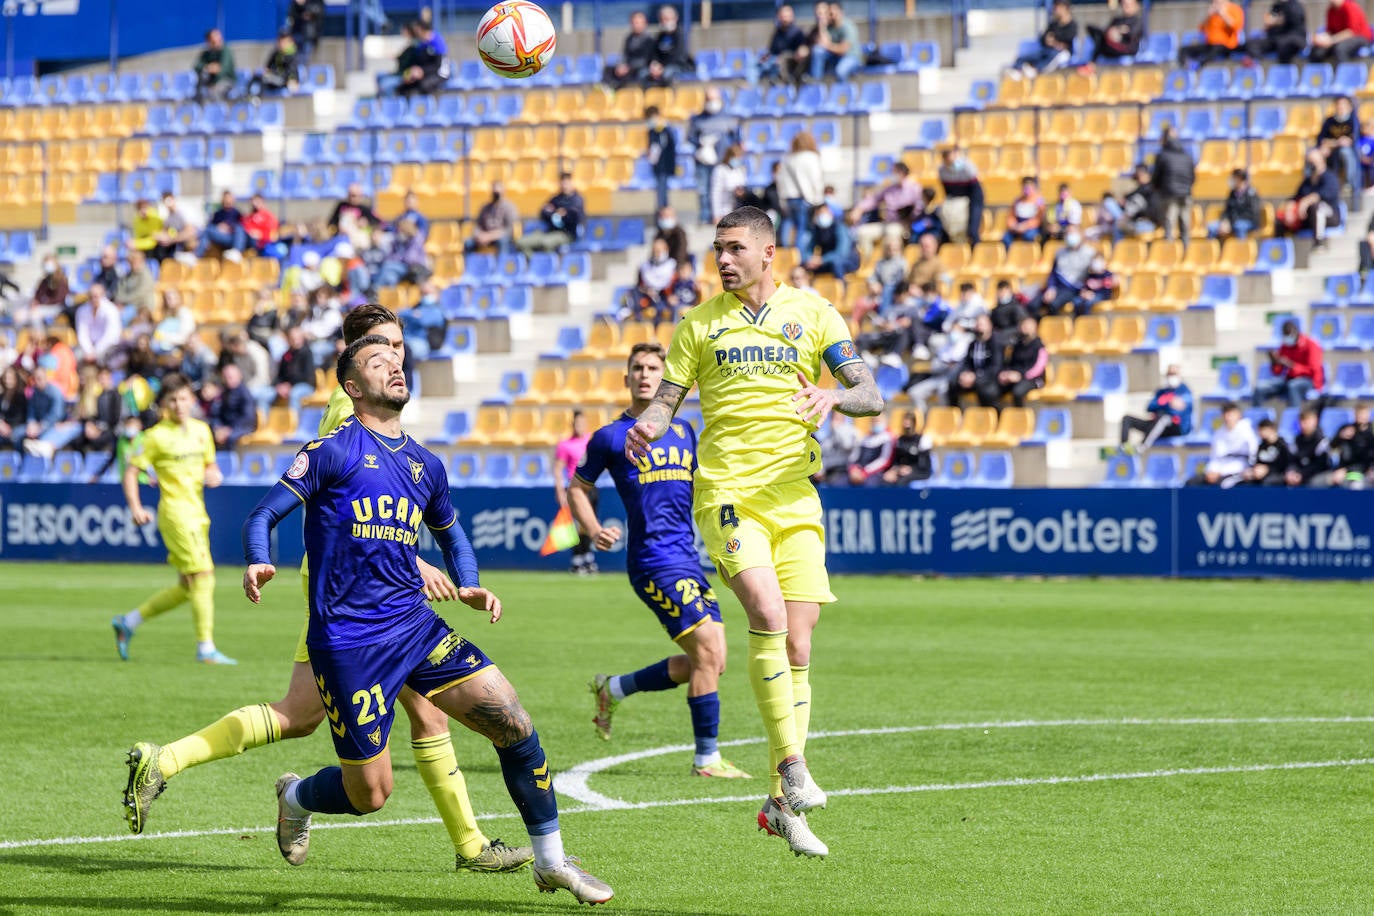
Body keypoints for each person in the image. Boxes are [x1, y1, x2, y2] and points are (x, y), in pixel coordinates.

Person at [121, 307, 535, 878]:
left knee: (301, 715)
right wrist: (411, 560)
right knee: (408, 724)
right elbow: (349, 503)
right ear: (353, 360)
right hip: (356, 594)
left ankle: (165, 760)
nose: (395, 355)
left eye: (398, 345)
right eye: (382, 346)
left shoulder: (376, 410)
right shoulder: (352, 409)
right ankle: (468, 846)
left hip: (362, 591)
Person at [240, 336, 612, 904]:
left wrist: (467, 581)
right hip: (348, 644)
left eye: (396, 360)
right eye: (376, 363)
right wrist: (260, 559)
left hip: (415, 628)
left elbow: (451, 532)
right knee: (371, 795)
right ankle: (295, 798)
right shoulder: (330, 451)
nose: (393, 366)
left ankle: (552, 862)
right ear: (352, 387)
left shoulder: (424, 463)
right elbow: (263, 514)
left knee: (511, 719)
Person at [625, 205, 882, 859]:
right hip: (729, 495)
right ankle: (793, 765)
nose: (722, 258)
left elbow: (871, 393)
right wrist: (650, 423)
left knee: (799, 643)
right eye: (717, 249)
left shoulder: (816, 315)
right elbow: (667, 400)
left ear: (769, 252)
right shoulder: (699, 325)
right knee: (765, 614)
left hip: (796, 497)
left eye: (735, 247)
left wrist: (833, 397)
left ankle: (777, 804)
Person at [571, 343, 749, 778]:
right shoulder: (611, 436)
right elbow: (577, 487)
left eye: (654, 368)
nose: (646, 374)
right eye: (638, 368)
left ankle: (612, 688)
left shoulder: (685, 431)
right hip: (652, 561)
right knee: (709, 651)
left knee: (712, 661)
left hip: (688, 558)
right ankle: (706, 759)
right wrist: (593, 531)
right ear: (626, 378)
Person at [109, 374, 232, 664]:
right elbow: (130, 472)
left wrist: (214, 475)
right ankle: (206, 648)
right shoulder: (154, 437)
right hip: (176, 514)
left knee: (187, 586)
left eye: (183, 398)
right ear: (164, 404)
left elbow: (210, 466)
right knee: (204, 576)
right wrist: (136, 507)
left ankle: (129, 622)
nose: (179, 405)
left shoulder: (202, 431)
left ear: (192, 400)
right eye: (172, 400)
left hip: (198, 514)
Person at [687, 88, 742, 225]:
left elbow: (737, 139)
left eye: (714, 99)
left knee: (722, 191)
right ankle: (706, 218)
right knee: (704, 190)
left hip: (723, 162)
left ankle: (726, 218)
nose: (712, 103)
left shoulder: (728, 118)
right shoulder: (697, 120)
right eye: (709, 99)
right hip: (704, 162)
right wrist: (701, 143)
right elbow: (691, 137)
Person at [848, 161, 923, 257]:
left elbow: (919, 208)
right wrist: (858, 209)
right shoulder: (889, 189)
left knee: (892, 232)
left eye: (894, 172)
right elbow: (873, 200)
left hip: (904, 225)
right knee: (862, 232)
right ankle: (868, 262)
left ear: (902, 173)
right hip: (887, 223)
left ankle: (894, 263)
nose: (892, 175)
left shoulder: (914, 188)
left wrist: (910, 219)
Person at [554, 410, 596, 575]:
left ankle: (587, 557)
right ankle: (578, 559)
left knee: (588, 524)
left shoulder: (590, 441)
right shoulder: (565, 445)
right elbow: (558, 470)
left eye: (582, 423)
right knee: (576, 525)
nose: (580, 426)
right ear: (573, 425)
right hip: (574, 488)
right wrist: (559, 491)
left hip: (591, 487)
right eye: (577, 423)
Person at [1120, 364, 1193, 453]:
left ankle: (1142, 446)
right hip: (1157, 425)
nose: (1171, 377)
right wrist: (1167, 403)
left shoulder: (1184, 391)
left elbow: (1178, 409)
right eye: (1169, 374)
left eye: (1174, 374)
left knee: (1164, 417)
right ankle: (1123, 447)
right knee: (1127, 418)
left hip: (1176, 428)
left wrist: (1163, 404)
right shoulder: (1162, 391)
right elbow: (1150, 407)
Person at [1278, 149, 1343, 247]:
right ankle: (1281, 247)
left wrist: (1306, 201)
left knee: (1316, 207)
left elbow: (1325, 194)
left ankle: (1319, 243)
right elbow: (1296, 197)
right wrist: (1290, 207)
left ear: (1321, 161)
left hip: (1329, 216)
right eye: (1309, 161)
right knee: (1280, 219)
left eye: (1313, 161)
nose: (1311, 164)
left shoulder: (1330, 177)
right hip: (1307, 217)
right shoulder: (1307, 181)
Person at [1185, 401, 1258, 487]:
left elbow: (1249, 459)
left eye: (1231, 414)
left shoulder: (1247, 433)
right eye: (1225, 414)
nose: (1228, 418)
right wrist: (1211, 470)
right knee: (1192, 483)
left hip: (1239, 471)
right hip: (1218, 470)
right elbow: (1215, 457)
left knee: (1224, 484)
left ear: (1238, 415)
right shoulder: (1218, 433)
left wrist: (1221, 472)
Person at [1255, 319, 1325, 407]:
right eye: (1285, 335)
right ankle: (1258, 417)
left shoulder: (1311, 345)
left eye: (1289, 335)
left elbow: (1313, 370)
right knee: (1260, 388)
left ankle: (1293, 417)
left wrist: (1292, 366)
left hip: (1309, 381)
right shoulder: (1285, 346)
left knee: (1293, 386)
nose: (1288, 338)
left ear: (1295, 332)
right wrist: (1274, 362)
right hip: (1289, 379)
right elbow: (1278, 371)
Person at [778, 132, 825, 254]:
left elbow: (781, 180)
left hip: (789, 198)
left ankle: (786, 253)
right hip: (804, 198)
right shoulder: (811, 157)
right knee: (803, 229)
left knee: (788, 224)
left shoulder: (787, 158)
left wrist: (782, 200)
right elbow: (816, 180)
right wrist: (819, 200)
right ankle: (800, 256)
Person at [1151, 125, 1195, 246]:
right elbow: (1192, 177)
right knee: (1185, 225)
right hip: (1186, 193)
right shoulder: (1187, 155)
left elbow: (1156, 177)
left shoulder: (1162, 155)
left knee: (1169, 223)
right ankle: (1186, 251)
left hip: (1169, 194)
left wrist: (1157, 189)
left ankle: (1169, 253)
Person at [517, 173, 584, 253]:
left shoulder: (577, 200)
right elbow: (543, 212)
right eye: (562, 182)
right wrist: (556, 213)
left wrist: (560, 213)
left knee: (546, 243)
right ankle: (534, 263)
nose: (564, 185)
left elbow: (574, 216)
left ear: (571, 183)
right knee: (521, 242)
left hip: (566, 234)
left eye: (566, 182)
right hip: (549, 231)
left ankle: (549, 264)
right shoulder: (556, 198)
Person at [947, 314, 1003, 407]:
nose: (979, 327)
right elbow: (967, 363)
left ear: (990, 326)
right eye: (977, 324)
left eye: (982, 324)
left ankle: (992, 418)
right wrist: (964, 374)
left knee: (986, 391)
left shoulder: (995, 344)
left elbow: (995, 367)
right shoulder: (973, 344)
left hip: (989, 379)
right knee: (952, 385)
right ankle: (957, 416)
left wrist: (976, 377)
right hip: (973, 377)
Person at [1318, 96, 1363, 210]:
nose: (1340, 108)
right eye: (1338, 105)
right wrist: (1336, 143)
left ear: (1349, 107)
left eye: (1343, 105)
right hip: (1331, 152)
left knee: (1345, 152)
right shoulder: (1329, 121)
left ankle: (1349, 183)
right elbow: (1322, 141)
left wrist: (1336, 143)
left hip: (1348, 153)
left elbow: (1353, 140)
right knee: (1313, 154)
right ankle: (1313, 183)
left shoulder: (1353, 121)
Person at [1036, 230, 1096, 315]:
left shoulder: (1089, 253)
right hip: (1058, 287)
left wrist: (1087, 289)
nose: (1071, 236)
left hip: (1073, 289)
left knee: (1053, 305)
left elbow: (1095, 274)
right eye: (1068, 233)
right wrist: (1051, 288)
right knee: (1033, 304)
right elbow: (1054, 273)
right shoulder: (1060, 252)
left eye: (1074, 233)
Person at [1012, 0, 1077, 77]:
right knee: (1026, 57)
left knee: (1053, 55)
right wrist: (1048, 40)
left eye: (1057, 7)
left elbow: (1067, 40)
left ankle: (1036, 71)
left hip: (1061, 53)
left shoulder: (1072, 25)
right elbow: (1043, 38)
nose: (1055, 10)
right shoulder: (1054, 24)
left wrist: (1054, 41)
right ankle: (1017, 70)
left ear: (1065, 8)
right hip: (1047, 50)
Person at [1314, 405, 1374, 487]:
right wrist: (1340, 436)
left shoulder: (1371, 434)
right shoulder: (1346, 429)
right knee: (1316, 482)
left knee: (1354, 485)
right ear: (1355, 415)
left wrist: (1346, 470)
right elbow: (1331, 447)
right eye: (1359, 414)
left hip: (1361, 471)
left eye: (1363, 414)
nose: (1361, 417)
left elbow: (1366, 459)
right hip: (1341, 470)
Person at [997, 315, 1048, 407]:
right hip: (1015, 376)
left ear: (1035, 328)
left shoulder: (1039, 346)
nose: (1025, 328)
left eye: (1028, 326)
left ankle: (1020, 418)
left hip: (1033, 379)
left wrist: (1021, 375)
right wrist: (1006, 373)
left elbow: (1038, 368)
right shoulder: (1017, 345)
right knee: (992, 389)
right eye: (1023, 326)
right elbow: (1010, 362)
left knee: (1018, 392)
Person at [205, 364, 258, 450]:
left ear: (239, 376)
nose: (227, 379)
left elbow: (248, 417)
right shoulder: (223, 393)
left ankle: (230, 461)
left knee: (230, 438)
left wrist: (229, 430)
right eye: (225, 377)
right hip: (225, 427)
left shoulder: (245, 394)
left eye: (230, 377)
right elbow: (216, 414)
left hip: (241, 427)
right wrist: (218, 427)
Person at [1082, 0, 1146, 69]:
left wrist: (1119, 33)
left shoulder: (1137, 21)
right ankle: (1091, 64)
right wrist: (1112, 32)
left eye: (1129, 4)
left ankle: (1092, 63)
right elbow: (1107, 31)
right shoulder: (1117, 20)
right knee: (1098, 36)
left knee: (1101, 42)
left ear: (1136, 6)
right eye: (1124, 4)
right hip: (1111, 47)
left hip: (1126, 49)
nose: (1126, 6)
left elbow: (1132, 34)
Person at [1180, 0, 1245, 65]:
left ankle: (1200, 64)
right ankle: (1185, 68)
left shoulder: (1235, 9)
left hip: (1227, 46)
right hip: (1211, 45)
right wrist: (1208, 16)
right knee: (1184, 50)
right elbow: (1201, 29)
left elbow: (1236, 27)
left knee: (1217, 48)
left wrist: (1223, 15)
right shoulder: (1213, 12)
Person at [603, 11, 657, 90]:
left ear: (645, 23)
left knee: (636, 74)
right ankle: (607, 92)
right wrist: (621, 65)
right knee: (608, 69)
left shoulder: (649, 39)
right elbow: (624, 54)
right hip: (628, 66)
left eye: (638, 23)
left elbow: (646, 59)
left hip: (640, 67)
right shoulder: (629, 38)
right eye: (634, 23)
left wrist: (629, 67)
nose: (636, 25)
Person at [810, 1, 861, 82]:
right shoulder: (829, 27)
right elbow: (821, 44)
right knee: (817, 50)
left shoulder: (848, 26)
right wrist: (822, 25)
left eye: (835, 12)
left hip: (850, 57)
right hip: (835, 57)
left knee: (840, 71)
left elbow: (842, 50)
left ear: (841, 12)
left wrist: (827, 46)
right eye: (830, 13)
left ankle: (843, 93)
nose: (833, 15)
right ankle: (816, 83)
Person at [802, 203, 857, 277]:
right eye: (820, 214)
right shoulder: (817, 229)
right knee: (804, 266)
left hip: (847, 261)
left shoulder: (840, 227)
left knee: (836, 264)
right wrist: (810, 259)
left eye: (825, 212)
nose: (823, 215)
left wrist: (822, 260)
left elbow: (842, 252)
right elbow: (809, 248)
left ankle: (842, 286)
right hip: (826, 262)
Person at [1282, 407, 1333, 486]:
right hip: (1299, 473)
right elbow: (1293, 460)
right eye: (1302, 421)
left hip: (1317, 473)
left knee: (1313, 483)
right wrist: (1291, 472)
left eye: (1307, 421)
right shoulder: (1297, 440)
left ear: (1315, 421)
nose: (1303, 424)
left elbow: (1320, 464)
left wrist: (1303, 475)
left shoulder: (1321, 441)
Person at [758, 4, 807, 85]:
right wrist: (766, 56)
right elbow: (772, 50)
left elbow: (799, 53)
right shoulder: (777, 32)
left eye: (787, 16)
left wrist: (782, 57)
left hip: (786, 63)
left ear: (792, 16)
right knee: (754, 63)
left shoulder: (797, 33)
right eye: (782, 16)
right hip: (773, 59)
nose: (784, 19)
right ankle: (751, 88)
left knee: (772, 65)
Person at [879, 412, 932, 486]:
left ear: (914, 423)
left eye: (909, 424)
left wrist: (911, 469)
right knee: (885, 480)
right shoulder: (900, 440)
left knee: (901, 481)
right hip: (901, 470)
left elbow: (924, 463)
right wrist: (894, 470)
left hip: (919, 471)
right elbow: (897, 460)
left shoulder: (922, 439)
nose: (907, 427)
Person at [465, 183, 519, 254]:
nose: (495, 195)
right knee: (468, 243)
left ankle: (501, 263)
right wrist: (479, 235)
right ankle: (470, 264)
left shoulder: (509, 208)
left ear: (503, 192)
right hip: (484, 236)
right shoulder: (485, 208)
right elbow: (477, 226)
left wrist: (490, 236)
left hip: (499, 237)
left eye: (497, 193)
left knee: (502, 241)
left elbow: (509, 229)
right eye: (494, 192)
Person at [75, 283, 122, 363]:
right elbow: (82, 334)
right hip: (89, 347)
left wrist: (96, 352)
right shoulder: (82, 310)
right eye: (91, 297)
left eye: (96, 296)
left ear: (102, 296)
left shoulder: (111, 310)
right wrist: (89, 351)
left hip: (108, 346)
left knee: (103, 360)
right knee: (75, 356)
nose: (93, 299)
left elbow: (110, 336)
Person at [1239, 417, 1293, 486]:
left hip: (1277, 474)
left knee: (1267, 482)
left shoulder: (1282, 445)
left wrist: (1267, 469)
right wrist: (1253, 471)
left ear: (1271, 429)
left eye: (1262, 430)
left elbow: (1285, 465)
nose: (1260, 433)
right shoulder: (1261, 446)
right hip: (1260, 475)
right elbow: (1257, 463)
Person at [1210, 170, 1261, 241]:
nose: (1232, 180)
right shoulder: (1232, 193)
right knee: (1212, 227)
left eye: (1234, 178)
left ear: (1240, 178)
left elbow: (1252, 213)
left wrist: (1231, 223)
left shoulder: (1251, 193)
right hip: (1232, 221)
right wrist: (1224, 221)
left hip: (1248, 221)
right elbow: (1227, 210)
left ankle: (1241, 249)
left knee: (1239, 226)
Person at [645, 105, 678, 212]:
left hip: (665, 165)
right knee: (660, 192)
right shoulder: (651, 131)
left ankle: (664, 212)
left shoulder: (665, 130)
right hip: (657, 167)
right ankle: (661, 212)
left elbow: (667, 147)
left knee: (663, 192)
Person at [197, 191, 248, 259]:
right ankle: (196, 255)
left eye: (229, 198)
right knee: (208, 230)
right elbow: (210, 226)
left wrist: (229, 227)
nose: (227, 200)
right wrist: (218, 227)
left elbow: (243, 229)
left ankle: (236, 252)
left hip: (233, 238)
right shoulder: (218, 214)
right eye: (225, 198)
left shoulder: (237, 214)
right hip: (221, 237)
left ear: (233, 200)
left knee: (239, 228)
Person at [248, 31, 300, 98]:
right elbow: (268, 66)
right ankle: (251, 97)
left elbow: (291, 73)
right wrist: (267, 72)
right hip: (274, 78)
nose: (281, 43)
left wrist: (273, 73)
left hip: (285, 81)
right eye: (280, 41)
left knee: (266, 79)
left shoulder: (292, 55)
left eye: (284, 41)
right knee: (257, 77)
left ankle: (257, 98)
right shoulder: (276, 53)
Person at [651, 4, 694, 84]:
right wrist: (655, 64)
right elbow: (655, 53)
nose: (664, 22)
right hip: (663, 66)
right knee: (644, 74)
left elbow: (679, 56)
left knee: (667, 73)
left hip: (679, 66)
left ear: (675, 19)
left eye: (667, 19)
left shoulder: (680, 34)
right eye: (662, 19)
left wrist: (662, 67)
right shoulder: (660, 36)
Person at [193, 29, 236, 103]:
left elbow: (224, 70)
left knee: (215, 92)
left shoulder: (225, 51)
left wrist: (215, 78)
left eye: (218, 38)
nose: (217, 41)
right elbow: (197, 66)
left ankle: (217, 112)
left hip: (226, 80)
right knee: (199, 91)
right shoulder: (207, 53)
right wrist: (208, 67)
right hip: (210, 82)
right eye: (213, 40)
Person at [710, 144, 748, 223]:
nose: (738, 159)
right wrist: (716, 214)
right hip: (723, 211)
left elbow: (742, 186)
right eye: (736, 157)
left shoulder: (740, 170)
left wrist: (740, 192)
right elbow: (716, 193)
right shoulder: (720, 170)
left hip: (737, 210)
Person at [1002, 176, 1045, 248]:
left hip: (1031, 227)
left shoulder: (1038, 200)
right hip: (1018, 225)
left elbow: (1039, 218)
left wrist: (1026, 226)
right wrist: (1014, 226)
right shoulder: (1018, 200)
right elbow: (1011, 216)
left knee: (1028, 237)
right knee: (1006, 238)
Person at [286, 0, 325, 65]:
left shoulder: (315, 2)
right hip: (296, 34)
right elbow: (291, 16)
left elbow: (317, 12)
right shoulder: (294, 3)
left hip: (309, 36)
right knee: (293, 58)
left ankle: (302, 73)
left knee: (304, 59)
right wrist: (298, 4)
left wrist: (303, 4)